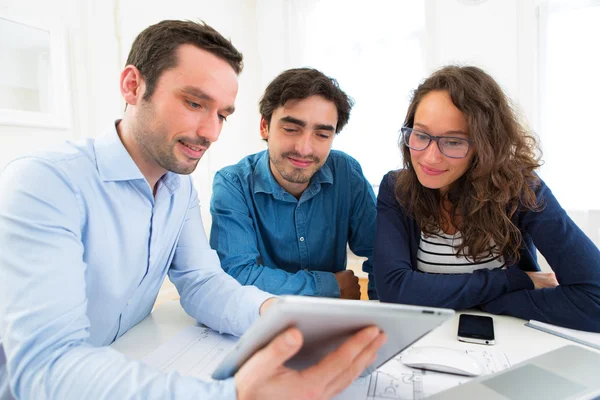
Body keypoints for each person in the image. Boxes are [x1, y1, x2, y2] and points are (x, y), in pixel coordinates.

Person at [0, 20, 386, 399]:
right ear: (133, 86)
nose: (210, 132)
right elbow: (45, 366)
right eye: (194, 103)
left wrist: (278, 316)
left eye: (221, 114)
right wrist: (234, 394)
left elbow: (203, 283)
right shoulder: (46, 183)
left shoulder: (178, 186)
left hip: (121, 363)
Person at [374, 65, 600, 332]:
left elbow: (594, 301)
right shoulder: (397, 189)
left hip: (506, 345)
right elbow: (396, 291)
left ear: (485, 146)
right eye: (421, 135)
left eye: (453, 142)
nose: (430, 157)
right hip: (421, 345)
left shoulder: (521, 190)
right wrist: (512, 281)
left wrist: (482, 302)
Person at [209, 68, 378, 300]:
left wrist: (380, 313)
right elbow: (236, 275)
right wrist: (327, 286)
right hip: (261, 319)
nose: (304, 149)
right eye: (291, 129)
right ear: (264, 126)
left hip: (333, 319)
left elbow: (380, 255)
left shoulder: (347, 173)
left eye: (321, 135)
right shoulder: (233, 184)